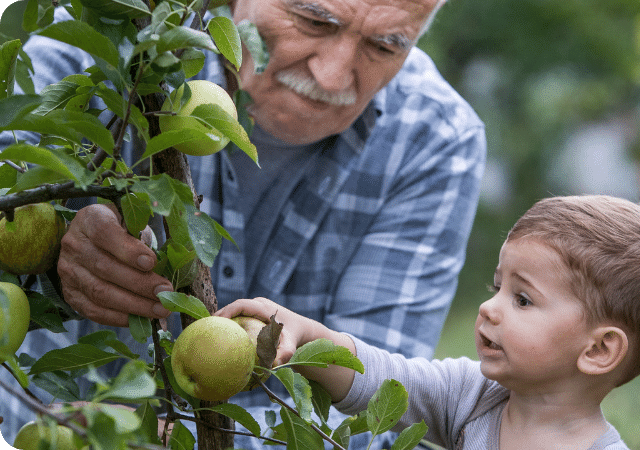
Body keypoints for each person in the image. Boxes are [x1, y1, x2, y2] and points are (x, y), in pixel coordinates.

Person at [0, 0, 485, 448]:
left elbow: (374, 418)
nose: (333, 76)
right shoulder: (92, 54)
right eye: (314, 20)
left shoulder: (435, 139)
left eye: (385, 46)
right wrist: (51, 241)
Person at [215, 195, 640, 450]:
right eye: (497, 287)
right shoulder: (472, 397)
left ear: (597, 351)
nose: (490, 308)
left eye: (523, 299)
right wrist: (301, 335)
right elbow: (381, 377)